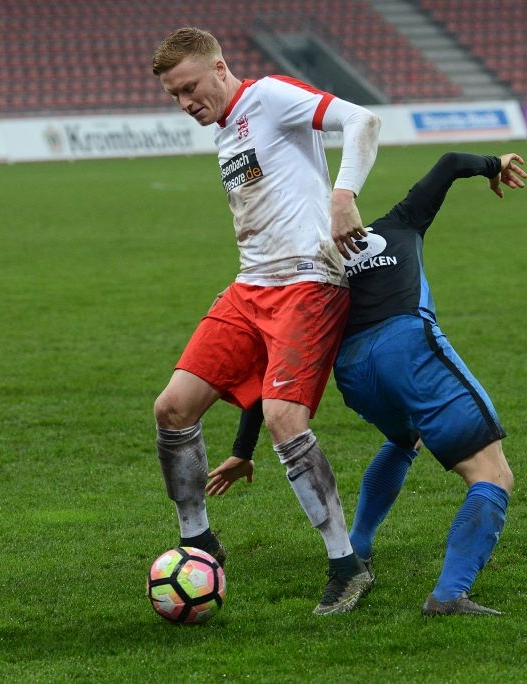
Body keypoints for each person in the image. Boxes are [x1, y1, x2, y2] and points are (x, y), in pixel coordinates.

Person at [216, 152, 526, 616]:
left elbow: (273, 368)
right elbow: (448, 164)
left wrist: (243, 448)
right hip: (407, 348)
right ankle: (448, 596)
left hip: (355, 373)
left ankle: (358, 542)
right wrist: (493, 164)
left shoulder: (313, 265)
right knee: (494, 475)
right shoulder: (400, 222)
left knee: (405, 437)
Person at [150, 27, 381, 616]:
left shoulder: (270, 96)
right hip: (251, 286)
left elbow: (362, 121)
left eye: (190, 88)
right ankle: (198, 541)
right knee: (172, 408)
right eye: (174, 95)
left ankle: (345, 565)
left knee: (284, 418)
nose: (185, 103)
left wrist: (343, 194)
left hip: (308, 281)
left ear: (220, 68)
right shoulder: (227, 130)